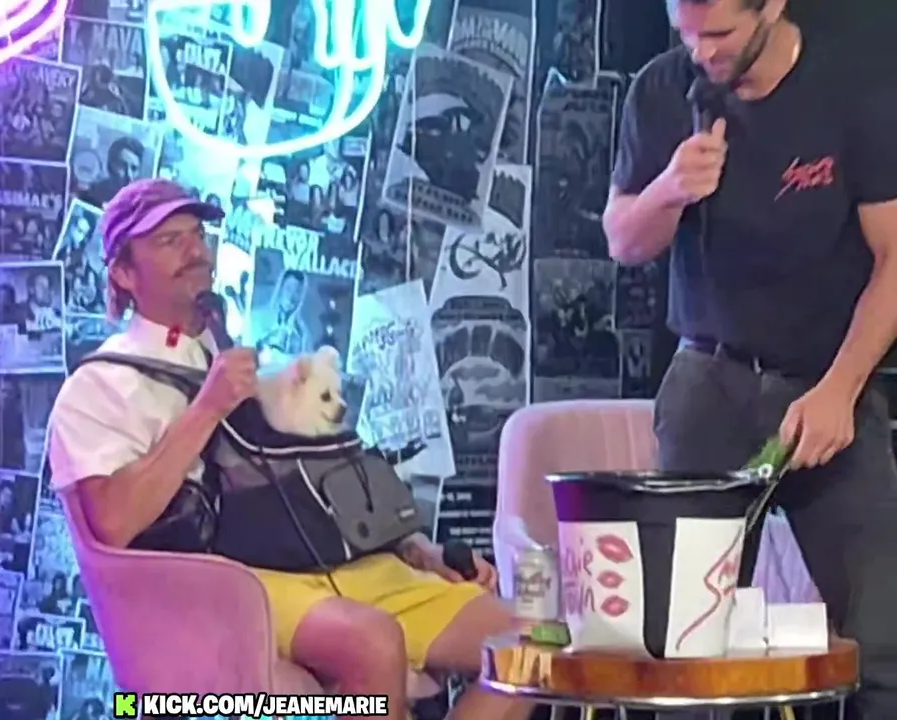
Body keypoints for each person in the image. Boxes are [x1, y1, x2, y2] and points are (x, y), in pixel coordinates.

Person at [47, 178, 532, 720]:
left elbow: (309, 475)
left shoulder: (230, 353)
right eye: (169, 240)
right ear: (122, 272)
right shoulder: (100, 387)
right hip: (229, 585)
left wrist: (414, 547)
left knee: (531, 643)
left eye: (198, 234)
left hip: (325, 561)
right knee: (373, 642)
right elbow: (111, 523)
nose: (196, 251)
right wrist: (208, 407)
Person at [603, 0, 897, 716]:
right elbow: (623, 240)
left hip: (827, 387)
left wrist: (840, 390)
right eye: (686, 34)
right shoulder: (661, 89)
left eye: (720, 34)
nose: (701, 51)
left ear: (772, 6)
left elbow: (895, 258)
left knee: (884, 643)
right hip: (709, 382)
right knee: (686, 650)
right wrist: (670, 189)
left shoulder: (852, 86)